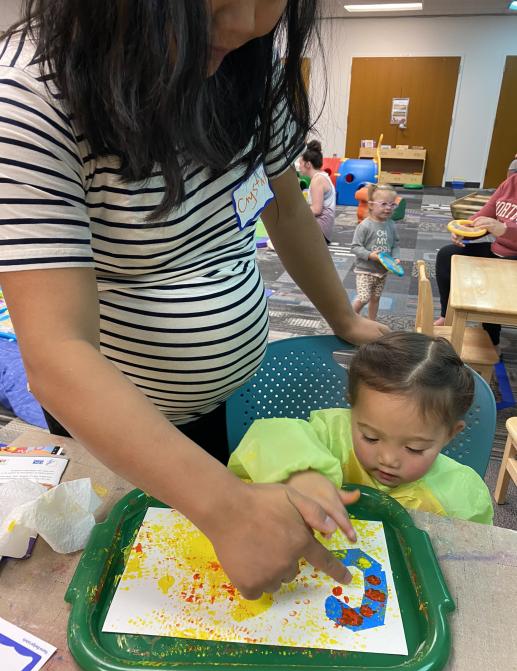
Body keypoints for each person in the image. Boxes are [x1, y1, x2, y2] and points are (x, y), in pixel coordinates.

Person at [0, 1, 390, 600]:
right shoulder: (29, 90)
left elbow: (284, 208)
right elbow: (57, 350)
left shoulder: (243, 59)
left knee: (215, 563)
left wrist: (343, 316)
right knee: (139, 573)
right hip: (122, 421)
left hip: (230, 397)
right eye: (215, 3)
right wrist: (228, 508)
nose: (244, 26)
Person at [229, 331, 493, 525]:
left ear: (450, 434)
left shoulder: (461, 494)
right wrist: (302, 473)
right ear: (351, 410)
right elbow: (267, 436)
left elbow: (471, 558)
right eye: (370, 437)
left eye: (414, 448)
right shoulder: (331, 434)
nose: (388, 459)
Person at [434, 175, 517, 348]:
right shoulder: (511, 182)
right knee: (447, 255)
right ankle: (446, 315)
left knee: (493, 278)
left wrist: (505, 229)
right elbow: (487, 213)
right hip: (498, 250)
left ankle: (491, 338)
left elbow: (500, 227)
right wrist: (466, 228)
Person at [351, 184, 401, 321]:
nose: (388, 208)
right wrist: (370, 255)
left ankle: (372, 322)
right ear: (371, 205)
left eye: (392, 204)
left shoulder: (391, 225)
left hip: (382, 271)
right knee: (363, 297)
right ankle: (349, 319)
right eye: (384, 204)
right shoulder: (365, 226)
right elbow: (355, 247)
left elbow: (395, 245)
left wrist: (395, 258)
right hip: (365, 270)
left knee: (376, 298)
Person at [298, 140, 336, 244]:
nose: (299, 167)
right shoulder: (321, 177)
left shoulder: (317, 180)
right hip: (323, 228)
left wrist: (297, 213)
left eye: (301, 163)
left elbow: (316, 210)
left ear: (308, 164)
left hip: (320, 230)